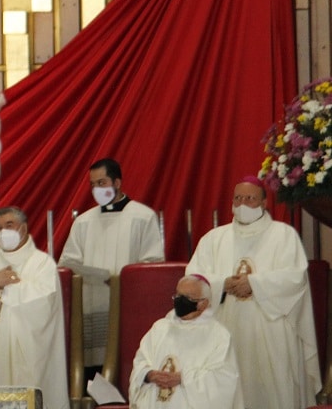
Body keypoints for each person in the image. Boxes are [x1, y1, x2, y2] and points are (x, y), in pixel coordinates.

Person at [186, 177, 320, 409]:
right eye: (238, 198)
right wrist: (222, 283)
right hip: (225, 329)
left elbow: (295, 278)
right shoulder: (213, 239)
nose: (242, 204)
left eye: (250, 199)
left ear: (264, 202)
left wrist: (255, 284)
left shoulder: (283, 235)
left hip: (272, 330)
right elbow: (193, 280)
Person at [58, 158, 164, 372]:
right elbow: (68, 263)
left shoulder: (142, 217)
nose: (97, 189)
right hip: (91, 306)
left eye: (102, 182)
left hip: (128, 307)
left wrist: (119, 280)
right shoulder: (83, 222)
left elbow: (152, 265)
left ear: (117, 182)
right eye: (93, 184)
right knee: (94, 371)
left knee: (128, 366)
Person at [0, 206, 68, 409]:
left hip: (27, 351)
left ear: (24, 229)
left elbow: (44, 303)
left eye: (9, 225)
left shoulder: (42, 263)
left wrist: (8, 288)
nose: (3, 232)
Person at [128, 274, 242, 408]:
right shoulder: (160, 328)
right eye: (178, 296)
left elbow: (223, 379)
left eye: (187, 298)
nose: (180, 301)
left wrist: (182, 378)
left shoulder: (219, 335)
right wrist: (148, 375)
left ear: (203, 304)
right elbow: (141, 362)